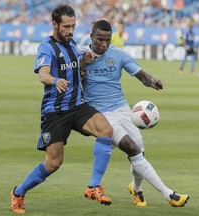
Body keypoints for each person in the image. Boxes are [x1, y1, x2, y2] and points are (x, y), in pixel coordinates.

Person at [10, 5, 114, 214]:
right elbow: (43, 74)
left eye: (73, 26)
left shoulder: (72, 43)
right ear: (55, 25)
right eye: (66, 26)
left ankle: (93, 186)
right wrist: (55, 80)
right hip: (55, 112)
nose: (71, 30)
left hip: (77, 105)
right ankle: (18, 192)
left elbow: (75, 64)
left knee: (106, 130)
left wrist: (84, 62)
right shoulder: (46, 47)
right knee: (54, 163)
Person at [81, 20, 189, 207]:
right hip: (100, 114)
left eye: (107, 39)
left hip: (122, 109)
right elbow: (65, 71)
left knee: (139, 150)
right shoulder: (80, 53)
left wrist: (152, 81)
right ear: (91, 37)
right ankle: (169, 194)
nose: (104, 44)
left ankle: (136, 189)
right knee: (132, 148)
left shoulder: (118, 54)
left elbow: (141, 75)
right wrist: (82, 63)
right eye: (99, 39)